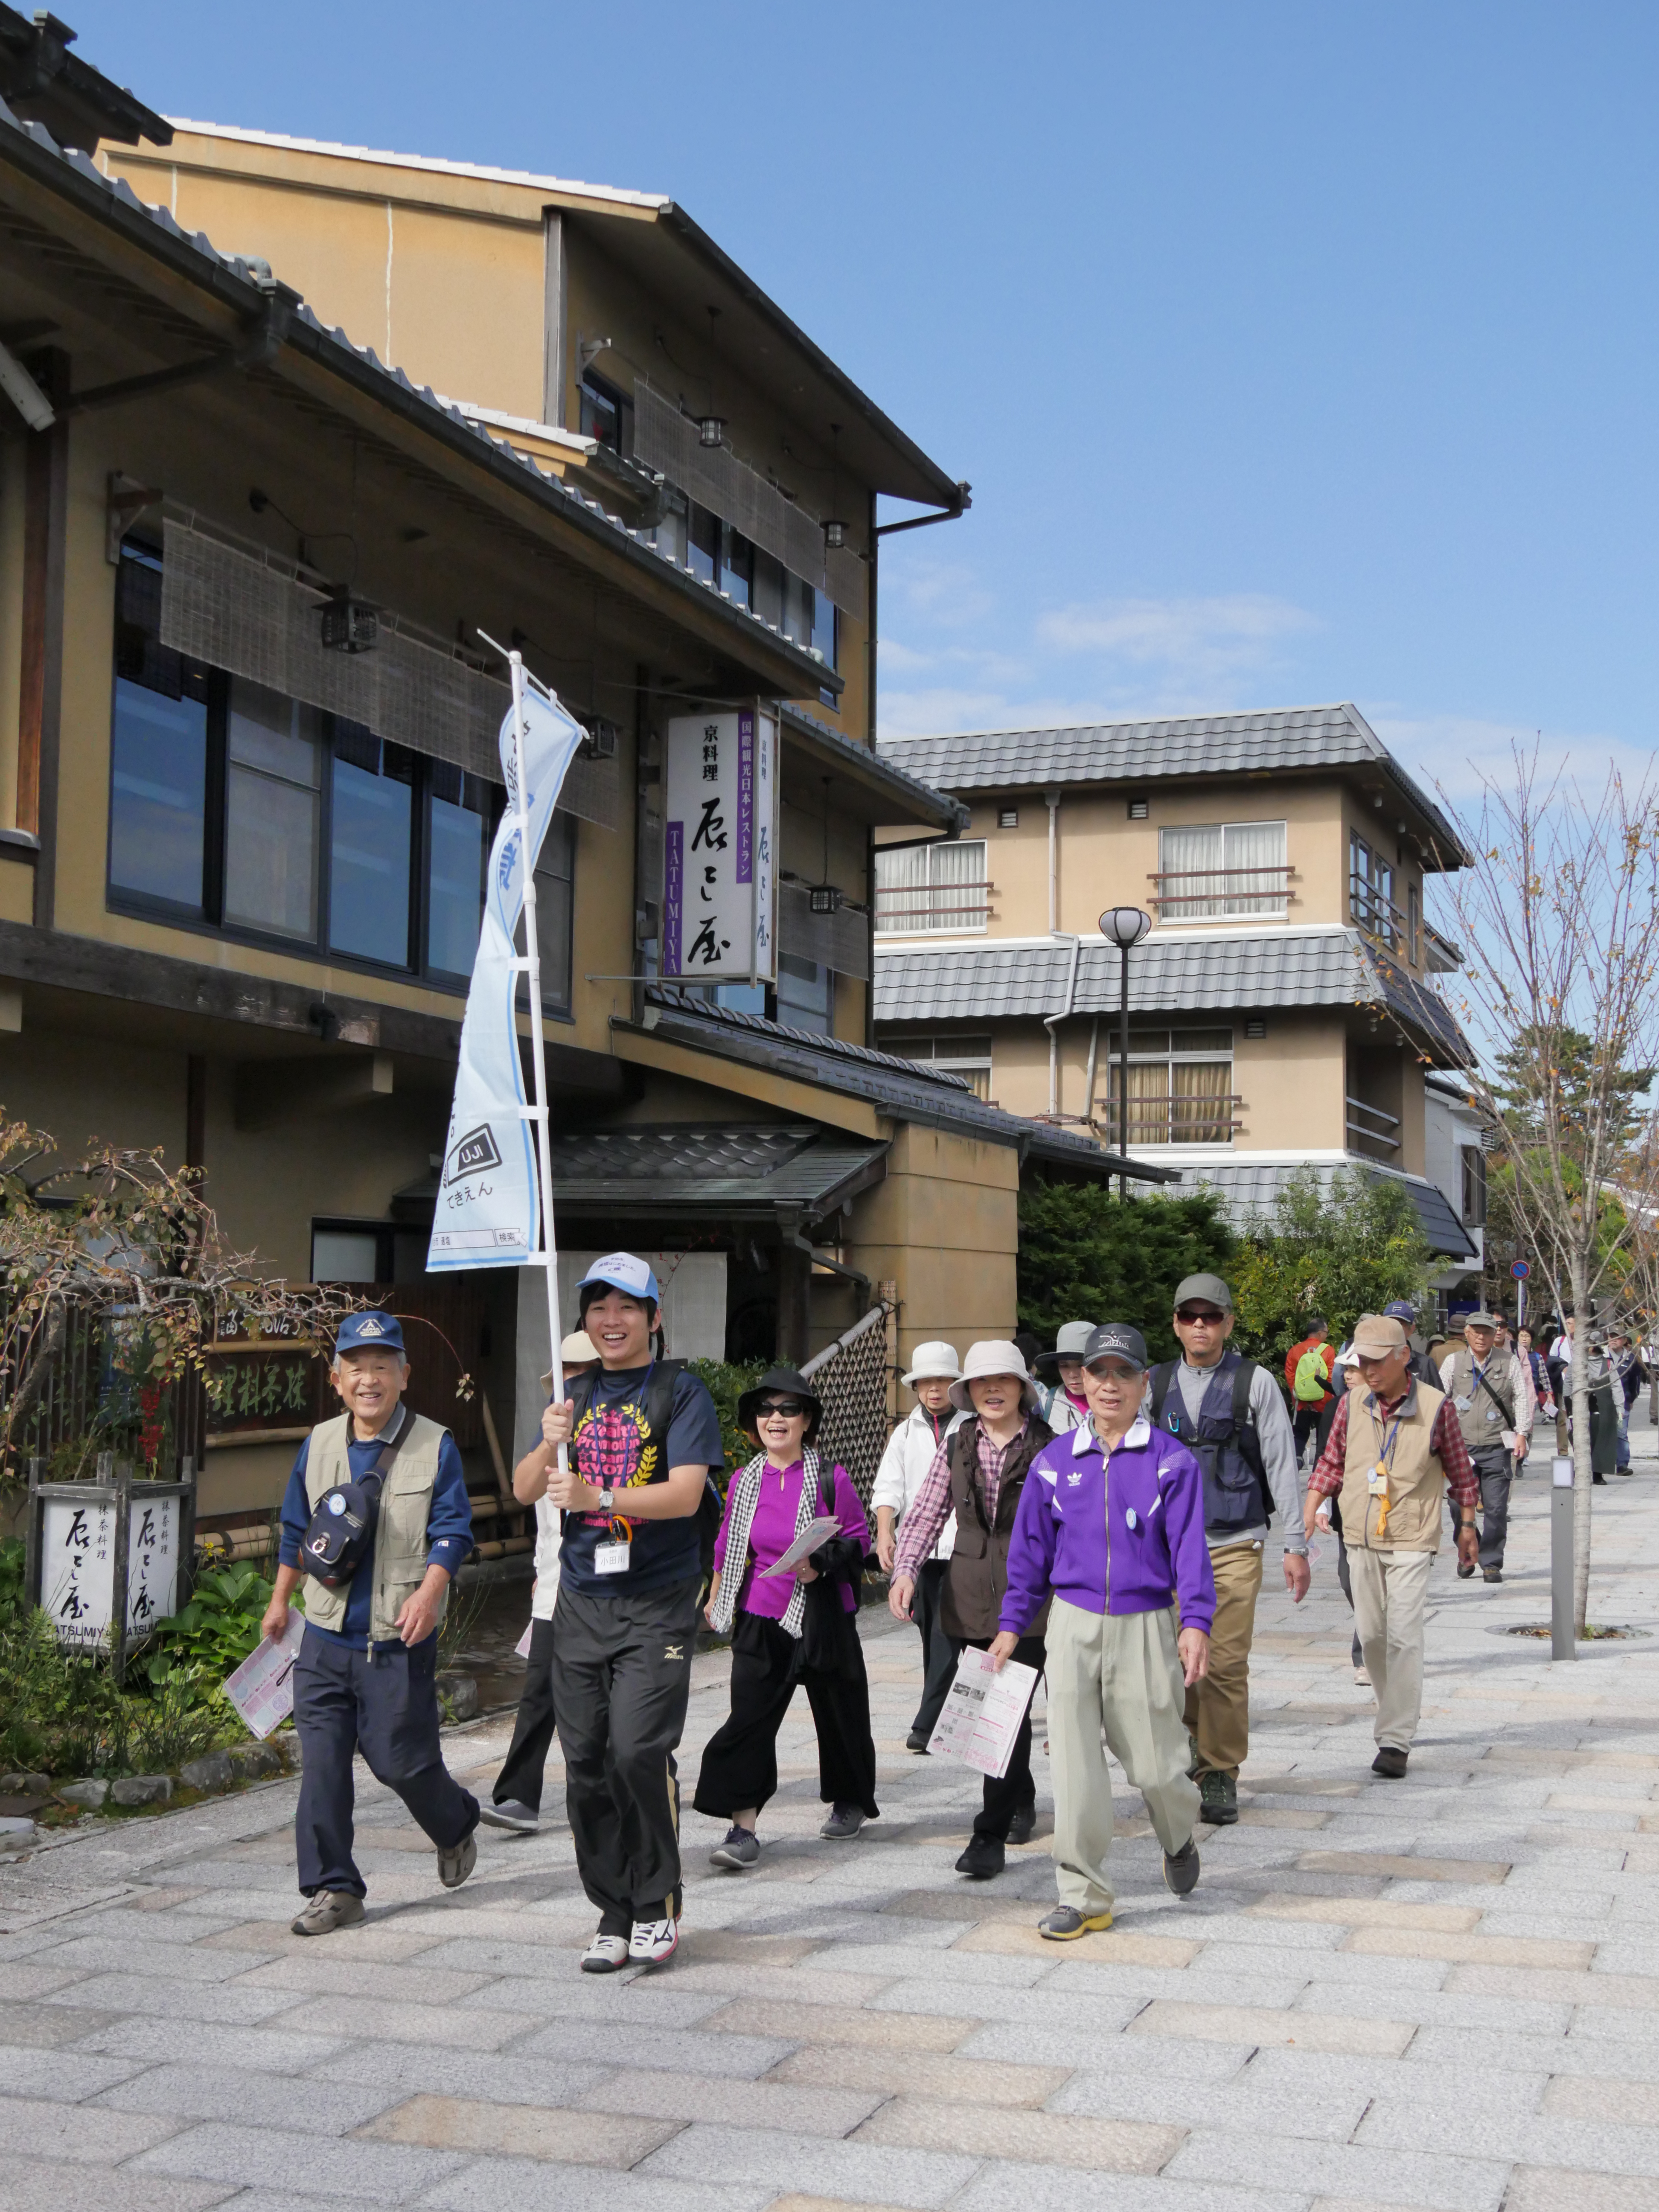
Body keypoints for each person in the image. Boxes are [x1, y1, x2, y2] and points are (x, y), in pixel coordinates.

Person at [521, 1253, 724, 1972]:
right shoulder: (572, 1394)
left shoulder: (680, 1391)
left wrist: (599, 1499)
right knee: (583, 1762)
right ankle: (611, 1908)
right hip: (581, 1601)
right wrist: (550, 1436)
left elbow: (685, 1492)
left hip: (657, 1601)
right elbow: (526, 1488)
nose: (612, 1319)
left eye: (627, 1306)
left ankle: (657, 1900)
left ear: (653, 1317)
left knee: (637, 1750)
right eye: (598, 1306)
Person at [990, 1323, 1213, 1936]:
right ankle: (1083, 1894)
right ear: (1081, 1381)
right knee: (1075, 1765)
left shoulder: (1173, 1463)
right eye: (1098, 1373)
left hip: (1146, 1623)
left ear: (1145, 1382)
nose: (1109, 1385)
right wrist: (1012, 1625)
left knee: (1158, 1767)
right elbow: (1030, 1554)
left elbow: (1191, 1551)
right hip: (1072, 1624)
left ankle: (1176, 1832)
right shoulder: (1054, 1463)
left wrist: (1196, 1621)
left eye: (1123, 1373)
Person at [263, 1312, 479, 1935]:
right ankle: (336, 1887)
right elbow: (296, 1530)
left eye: (382, 1366)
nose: (369, 1379)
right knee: (324, 1766)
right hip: (325, 1637)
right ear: (337, 1379)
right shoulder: (320, 1443)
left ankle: (455, 1822)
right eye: (357, 1367)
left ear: (404, 1375)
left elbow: (453, 1531)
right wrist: (281, 1601)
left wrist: (431, 1593)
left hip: (395, 1637)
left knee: (400, 1763)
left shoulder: (434, 1444)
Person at [1147, 1273, 1309, 1827]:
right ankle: (1190, 1745)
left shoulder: (1254, 1383)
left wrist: (1295, 1543)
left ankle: (1220, 1770)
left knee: (1225, 1663)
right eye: (1190, 1316)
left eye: (1211, 1317)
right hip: (1167, 1548)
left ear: (1229, 1323)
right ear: (1175, 1323)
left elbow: (1282, 1463)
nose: (1200, 1325)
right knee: (1173, 1662)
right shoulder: (1155, 1384)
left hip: (1235, 1541)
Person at [888, 1341, 1054, 1879]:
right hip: (969, 1591)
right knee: (995, 1708)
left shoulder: (1051, 1447)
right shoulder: (958, 1443)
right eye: (982, 1384)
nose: (992, 1391)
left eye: (1003, 1381)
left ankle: (989, 1833)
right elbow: (926, 1511)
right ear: (971, 1392)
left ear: (1022, 1390)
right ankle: (1020, 1797)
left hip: (1033, 1594)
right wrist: (907, 1570)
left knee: (1007, 1703)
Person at [696, 1368, 876, 1863]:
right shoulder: (743, 1480)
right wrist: (717, 1594)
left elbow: (859, 1540)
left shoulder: (829, 1476)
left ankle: (849, 1801)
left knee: (840, 1715)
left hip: (822, 1615)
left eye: (788, 1409)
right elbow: (726, 1543)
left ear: (807, 1419)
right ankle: (743, 1829)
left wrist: (818, 1565)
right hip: (760, 1614)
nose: (776, 1418)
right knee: (750, 1719)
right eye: (766, 1410)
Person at [1304, 1313, 1479, 1778]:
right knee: (1374, 1634)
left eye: (1378, 1361)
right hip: (1360, 1533)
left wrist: (1467, 1525)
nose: (1368, 1370)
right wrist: (1313, 1502)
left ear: (1405, 1356)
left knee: (1403, 1633)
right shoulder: (1350, 1404)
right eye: (1362, 1361)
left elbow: (1462, 1472)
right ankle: (1393, 1715)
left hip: (1411, 1534)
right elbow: (1332, 1460)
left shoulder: (1436, 1406)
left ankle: (1395, 1739)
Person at [480, 1330, 599, 1834]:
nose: (571, 1386)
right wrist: (537, 1572)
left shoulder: (627, 1429)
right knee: (539, 1692)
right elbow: (528, 1498)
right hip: (556, 1584)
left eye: (581, 1374)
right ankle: (518, 1795)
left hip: (614, 1588)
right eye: (564, 1377)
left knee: (613, 1700)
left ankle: (613, 1791)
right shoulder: (549, 1435)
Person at [871, 1342, 965, 1752]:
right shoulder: (906, 1431)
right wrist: (884, 1531)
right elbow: (888, 1485)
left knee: (947, 1632)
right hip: (921, 1550)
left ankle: (925, 1725)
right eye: (927, 1381)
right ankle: (944, 1714)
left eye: (943, 1380)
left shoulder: (972, 1425)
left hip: (964, 1547)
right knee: (930, 1631)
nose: (934, 1389)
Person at [1438, 1310, 1531, 1584]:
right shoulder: (1453, 1362)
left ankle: (1491, 1562)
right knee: (1458, 1506)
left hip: (1496, 1445)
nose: (1481, 1336)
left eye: (1488, 1331)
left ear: (1497, 1335)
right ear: (1466, 1333)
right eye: (1476, 1331)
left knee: (1495, 1508)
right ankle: (1468, 1550)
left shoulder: (1509, 1362)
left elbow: (1522, 1399)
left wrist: (1522, 1433)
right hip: (1461, 1448)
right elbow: (1439, 1400)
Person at [1309, 1345, 1368, 1682]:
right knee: (1350, 1581)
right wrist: (1319, 1505)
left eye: (1355, 1369)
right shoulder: (1335, 1408)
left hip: (1386, 1514)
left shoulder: (1395, 1408)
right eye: (1346, 1369)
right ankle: (1376, 1632)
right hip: (1347, 1509)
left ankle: (1364, 1657)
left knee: (1373, 1585)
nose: (1348, 1375)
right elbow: (1324, 1459)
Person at [1284, 1315, 1336, 1465]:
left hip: (1302, 1403)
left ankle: (1298, 1461)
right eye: (1326, 1332)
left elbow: (1290, 1376)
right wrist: (1325, 1398)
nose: (1327, 1335)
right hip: (1323, 1404)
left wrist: (1299, 1396)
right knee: (1322, 1438)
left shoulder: (1295, 1350)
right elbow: (1330, 1376)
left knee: (1300, 1435)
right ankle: (1318, 1472)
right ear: (1320, 1333)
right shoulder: (1329, 1351)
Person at [1033, 1321, 1096, 1435]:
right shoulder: (1046, 1405)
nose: (1072, 1374)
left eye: (1081, 1365)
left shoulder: (1116, 1403)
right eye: (1064, 1365)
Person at [1610, 1330, 1647, 1474]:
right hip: (1602, 1403)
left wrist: (1631, 1399)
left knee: (1621, 1432)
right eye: (1611, 1337)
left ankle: (1622, 1465)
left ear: (1625, 1340)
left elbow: (1634, 1383)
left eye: (1618, 1338)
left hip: (1623, 1404)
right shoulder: (1602, 1356)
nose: (1614, 1340)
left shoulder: (1630, 1359)